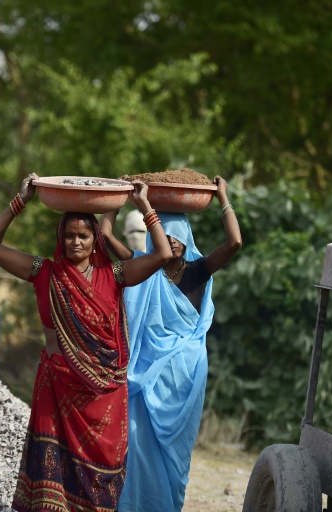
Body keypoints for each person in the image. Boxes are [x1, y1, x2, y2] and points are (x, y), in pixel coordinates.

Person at [0, 173, 172, 512]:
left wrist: (144, 205)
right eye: (69, 236)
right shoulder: (45, 273)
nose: (76, 242)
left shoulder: (114, 276)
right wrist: (20, 200)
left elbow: (163, 255)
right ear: (60, 238)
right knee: (51, 487)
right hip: (57, 389)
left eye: (83, 235)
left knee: (101, 484)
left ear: (96, 240)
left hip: (105, 396)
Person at [100, 176, 242, 512]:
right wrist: (119, 197)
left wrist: (223, 197)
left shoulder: (198, 270)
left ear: (188, 238)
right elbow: (104, 236)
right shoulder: (141, 267)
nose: (172, 240)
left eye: (177, 233)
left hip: (184, 376)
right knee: (134, 441)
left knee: (176, 457)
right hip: (142, 376)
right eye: (164, 233)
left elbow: (234, 243)